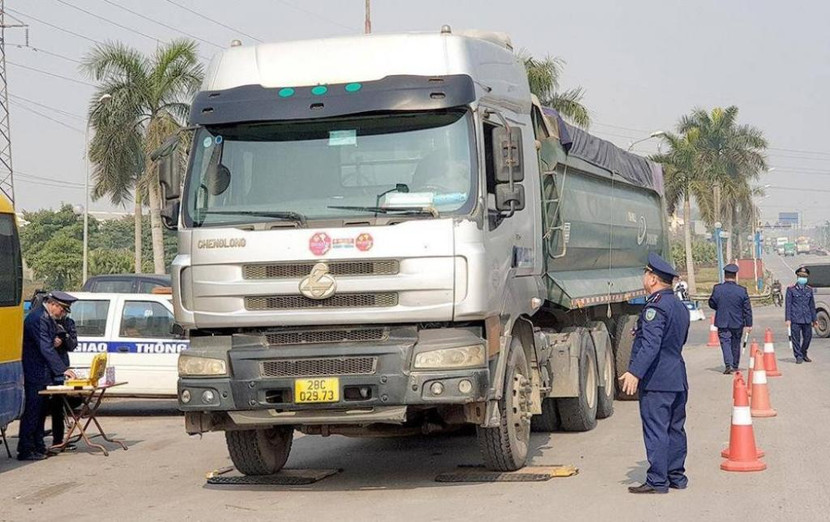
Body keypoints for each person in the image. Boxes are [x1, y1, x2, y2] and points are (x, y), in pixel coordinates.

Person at [620, 252, 691, 494]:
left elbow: (651, 345)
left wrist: (634, 372)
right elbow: (677, 340)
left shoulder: (655, 307)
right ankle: (676, 476)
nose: (644, 277)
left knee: (656, 429)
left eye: (646, 273)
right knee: (675, 428)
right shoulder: (679, 306)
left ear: (652, 279)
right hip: (677, 376)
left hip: (658, 380)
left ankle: (658, 480)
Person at [17, 291, 77, 461]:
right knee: (33, 411)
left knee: (41, 411)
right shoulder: (38, 319)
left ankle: (38, 446)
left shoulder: (47, 317)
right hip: (35, 372)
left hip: (44, 372)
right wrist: (62, 370)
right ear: (53, 304)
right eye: (62, 310)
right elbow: (45, 348)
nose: (62, 314)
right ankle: (26, 449)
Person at [708, 264, 753, 374]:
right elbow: (747, 308)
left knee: (725, 342)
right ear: (735, 275)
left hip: (722, 320)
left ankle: (729, 364)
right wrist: (749, 324)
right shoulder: (742, 290)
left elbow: (712, 303)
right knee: (735, 343)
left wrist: (720, 308)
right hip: (738, 322)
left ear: (725, 275)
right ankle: (735, 365)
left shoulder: (718, 289)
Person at [49, 310, 79, 450]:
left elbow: (73, 345)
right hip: (47, 368)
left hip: (62, 366)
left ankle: (58, 440)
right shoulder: (47, 321)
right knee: (44, 405)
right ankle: (38, 442)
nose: (63, 313)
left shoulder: (68, 323)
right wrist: (52, 341)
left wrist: (64, 336)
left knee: (59, 405)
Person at [786, 266, 817, 364]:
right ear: (797, 277)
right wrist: (788, 319)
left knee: (808, 337)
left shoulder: (809, 289)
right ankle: (798, 356)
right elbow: (788, 305)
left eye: (804, 277)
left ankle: (803, 352)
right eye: (801, 276)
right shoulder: (791, 289)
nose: (802, 278)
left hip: (807, 318)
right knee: (796, 339)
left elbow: (812, 305)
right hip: (795, 318)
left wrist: (814, 319)